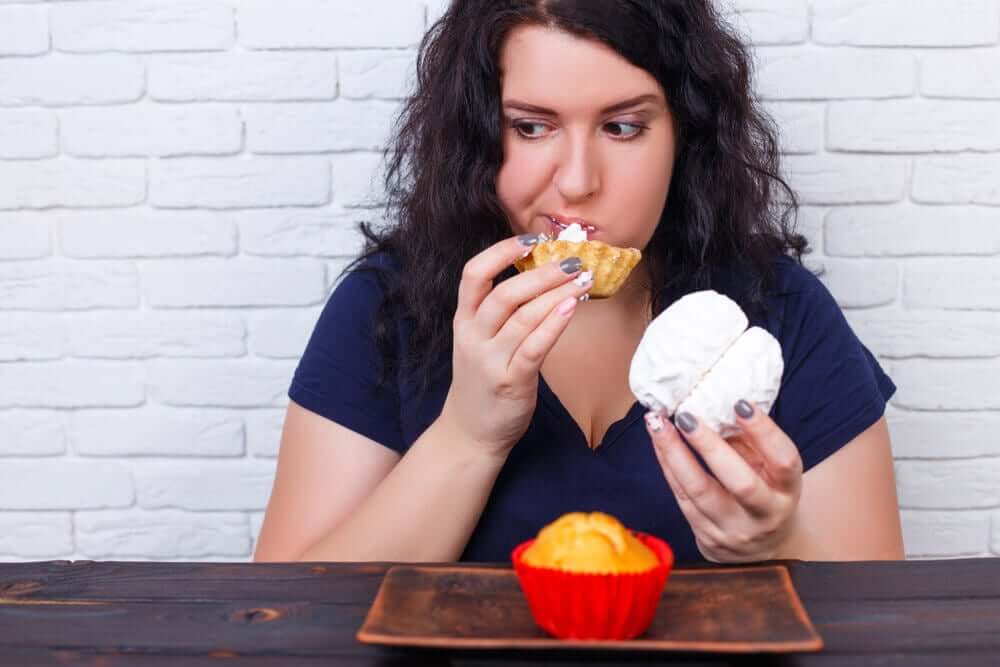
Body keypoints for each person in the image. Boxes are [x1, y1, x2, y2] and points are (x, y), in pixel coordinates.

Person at [253, 0, 905, 565]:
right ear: (479, 135)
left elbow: (882, 619)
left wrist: (778, 538)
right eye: (531, 127)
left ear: (686, 134)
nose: (577, 182)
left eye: (623, 126)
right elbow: (287, 617)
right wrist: (467, 435)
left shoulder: (780, 308)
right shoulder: (386, 306)